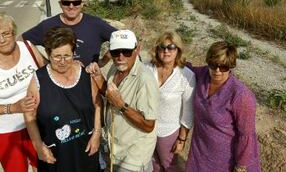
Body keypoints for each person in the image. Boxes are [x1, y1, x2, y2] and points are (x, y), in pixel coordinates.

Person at [0, 13, 46, 172]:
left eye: (6, 33)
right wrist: (12, 108)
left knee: (45, 166)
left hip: (39, 122)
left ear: (14, 32)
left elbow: (48, 75)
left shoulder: (28, 48)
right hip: (8, 132)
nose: (2, 40)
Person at [24, 27, 102, 172]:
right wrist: (38, 146)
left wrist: (97, 134)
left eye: (67, 56)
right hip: (56, 155)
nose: (62, 61)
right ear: (48, 54)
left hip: (86, 149)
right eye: (56, 56)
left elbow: (98, 104)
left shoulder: (86, 74)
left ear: (74, 53)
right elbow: (29, 116)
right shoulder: (38, 79)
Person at [89, 29, 160, 172]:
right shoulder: (115, 69)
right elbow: (111, 95)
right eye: (116, 52)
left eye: (126, 51)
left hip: (133, 156)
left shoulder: (145, 80)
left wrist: (121, 105)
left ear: (137, 49)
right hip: (116, 149)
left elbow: (148, 125)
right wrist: (98, 77)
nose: (120, 57)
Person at [185, 41, 261, 172]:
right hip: (200, 153)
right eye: (213, 65)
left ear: (231, 66)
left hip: (225, 160)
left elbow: (246, 136)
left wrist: (240, 167)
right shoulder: (203, 75)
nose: (217, 71)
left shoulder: (241, 95)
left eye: (224, 67)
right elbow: (186, 68)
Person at [21, 0, 116, 67]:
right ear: (60, 4)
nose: (71, 6)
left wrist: (103, 62)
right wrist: (44, 63)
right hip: (57, 83)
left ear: (82, 4)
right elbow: (21, 41)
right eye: (66, 3)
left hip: (89, 82)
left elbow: (123, 39)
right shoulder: (48, 25)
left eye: (76, 2)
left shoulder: (96, 24)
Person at [145, 32, 195, 172]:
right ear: (157, 49)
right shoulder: (147, 68)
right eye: (162, 47)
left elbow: (188, 112)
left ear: (178, 50)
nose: (166, 51)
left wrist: (182, 138)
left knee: (171, 166)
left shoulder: (186, 76)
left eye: (171, 47)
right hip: (146, 127)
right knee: (153, 165)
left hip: (168, 132)